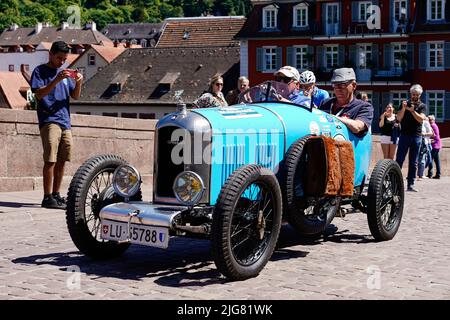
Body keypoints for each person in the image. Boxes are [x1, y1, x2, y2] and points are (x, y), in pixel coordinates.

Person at [31, 41, 83, 209]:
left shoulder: (65, 73)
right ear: (51, 54)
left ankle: (56, 194)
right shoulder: (40, 71)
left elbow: (75, 96)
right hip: (49, 120)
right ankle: (47, 197)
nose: (62, 62)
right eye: (59, 58)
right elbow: (39, 94)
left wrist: (80, 82)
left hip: (65, 121)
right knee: (50, 159)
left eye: (64, 59)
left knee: (62, 159)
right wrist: (55, 80)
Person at [319, 68, 374, 137]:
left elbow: (357, 127)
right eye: (335, 85)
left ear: (354, 86)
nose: (338, 89)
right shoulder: (325, 103)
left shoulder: (364, 107)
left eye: (342, 85)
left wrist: (332, 118)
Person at [395, 84, 427, 192]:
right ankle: (395, 182)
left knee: (413, 162)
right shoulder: (404, 104)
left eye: (416, 95)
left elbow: (421, 119)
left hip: (416, 136)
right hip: (404, 135)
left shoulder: (422, 106)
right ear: (410, 94)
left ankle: (410, 184)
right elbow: (398, 119)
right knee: (399, 160)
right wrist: (404, 109)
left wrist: (413, 111)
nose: (414, 96)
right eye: (413, 94)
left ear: (419, 95)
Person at [427, 115, 442, 179]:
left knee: (430, 159)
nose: (429, 121)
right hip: (437, 145)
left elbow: (435, 136)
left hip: (434, 145)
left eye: (430, 120)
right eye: (429, 120)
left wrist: (429, 139)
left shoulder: (432, 125)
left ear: (433, 120)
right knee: (437, 160)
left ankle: (430, 174)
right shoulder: (435, 125)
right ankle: (438, 174)